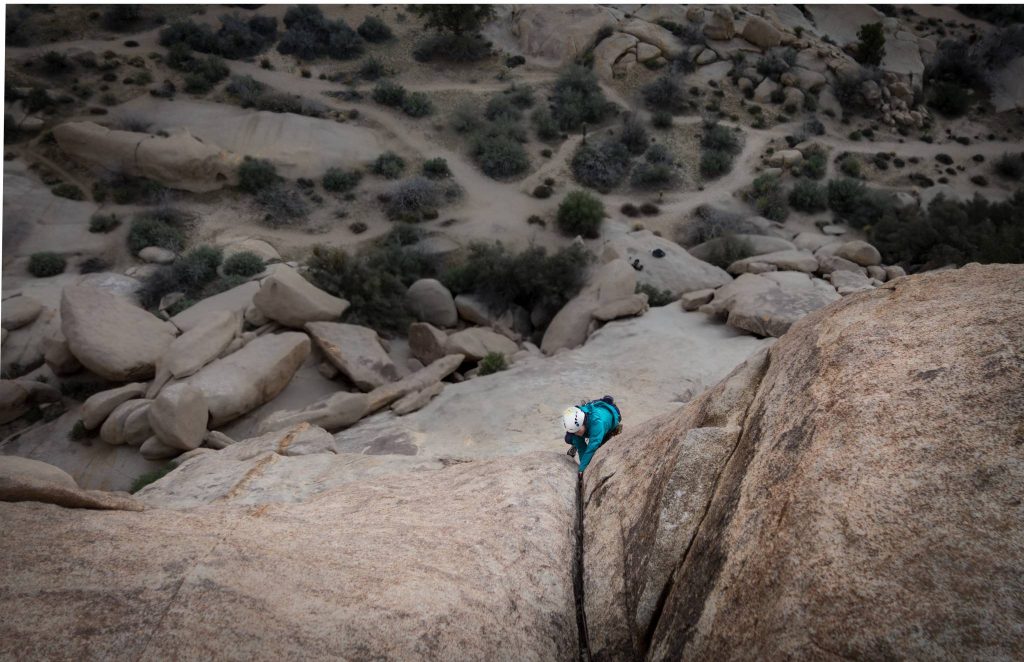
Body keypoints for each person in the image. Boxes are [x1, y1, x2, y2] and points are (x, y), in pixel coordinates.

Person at [562, 396, 622, 474]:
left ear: (583, 422)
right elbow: (581, 448)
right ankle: (574, 445)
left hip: (611, 413)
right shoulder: (577, 420)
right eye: (574, 431)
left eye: (577, 431)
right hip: (596, 407)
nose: (576, 433)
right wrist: (582, 467)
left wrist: (582, 469)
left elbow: (591, 448)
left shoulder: (597, 424)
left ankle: (615, 429)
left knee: (598, 448)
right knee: (570, 438)